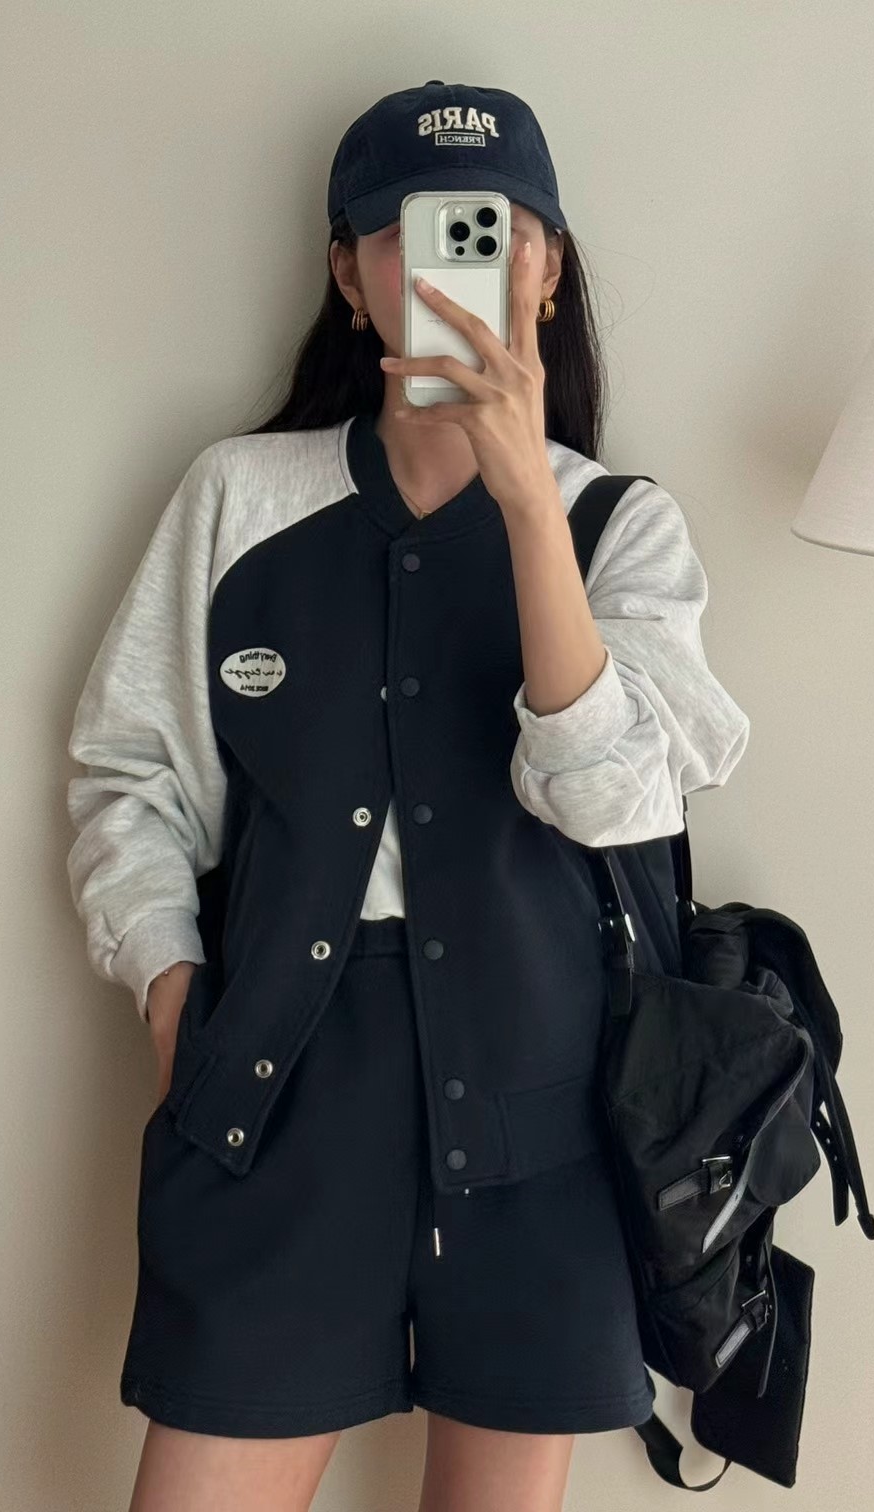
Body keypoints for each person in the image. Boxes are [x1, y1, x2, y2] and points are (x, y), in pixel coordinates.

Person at [66, 81, 750, 1512]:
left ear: (546, 270)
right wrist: (170, 984)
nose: (451, 271)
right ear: (349, 273)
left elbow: (613, 800)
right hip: (278, 1095)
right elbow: (131, 774)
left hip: (547, 1107)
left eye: (493, 234)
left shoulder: (620, 526)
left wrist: (525, 501)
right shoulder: (239, 498)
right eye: (408, 235)